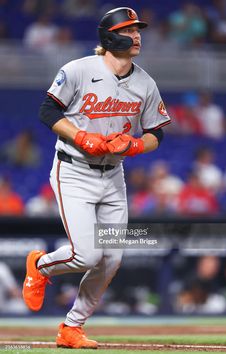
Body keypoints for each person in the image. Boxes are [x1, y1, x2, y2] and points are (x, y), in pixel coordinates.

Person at [22, 7, 171, 349]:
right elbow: (48, 111)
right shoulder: (78, 70)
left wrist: (135, 145)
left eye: (138, 30)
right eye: (129, 30)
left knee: (112, 258)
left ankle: (71, 327)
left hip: (113, 174)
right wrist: (80, 136)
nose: (136, 36)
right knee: (87, 255)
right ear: (108, 36)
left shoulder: (145, 82)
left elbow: (157, 134)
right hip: (73, 169)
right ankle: (40, 266)